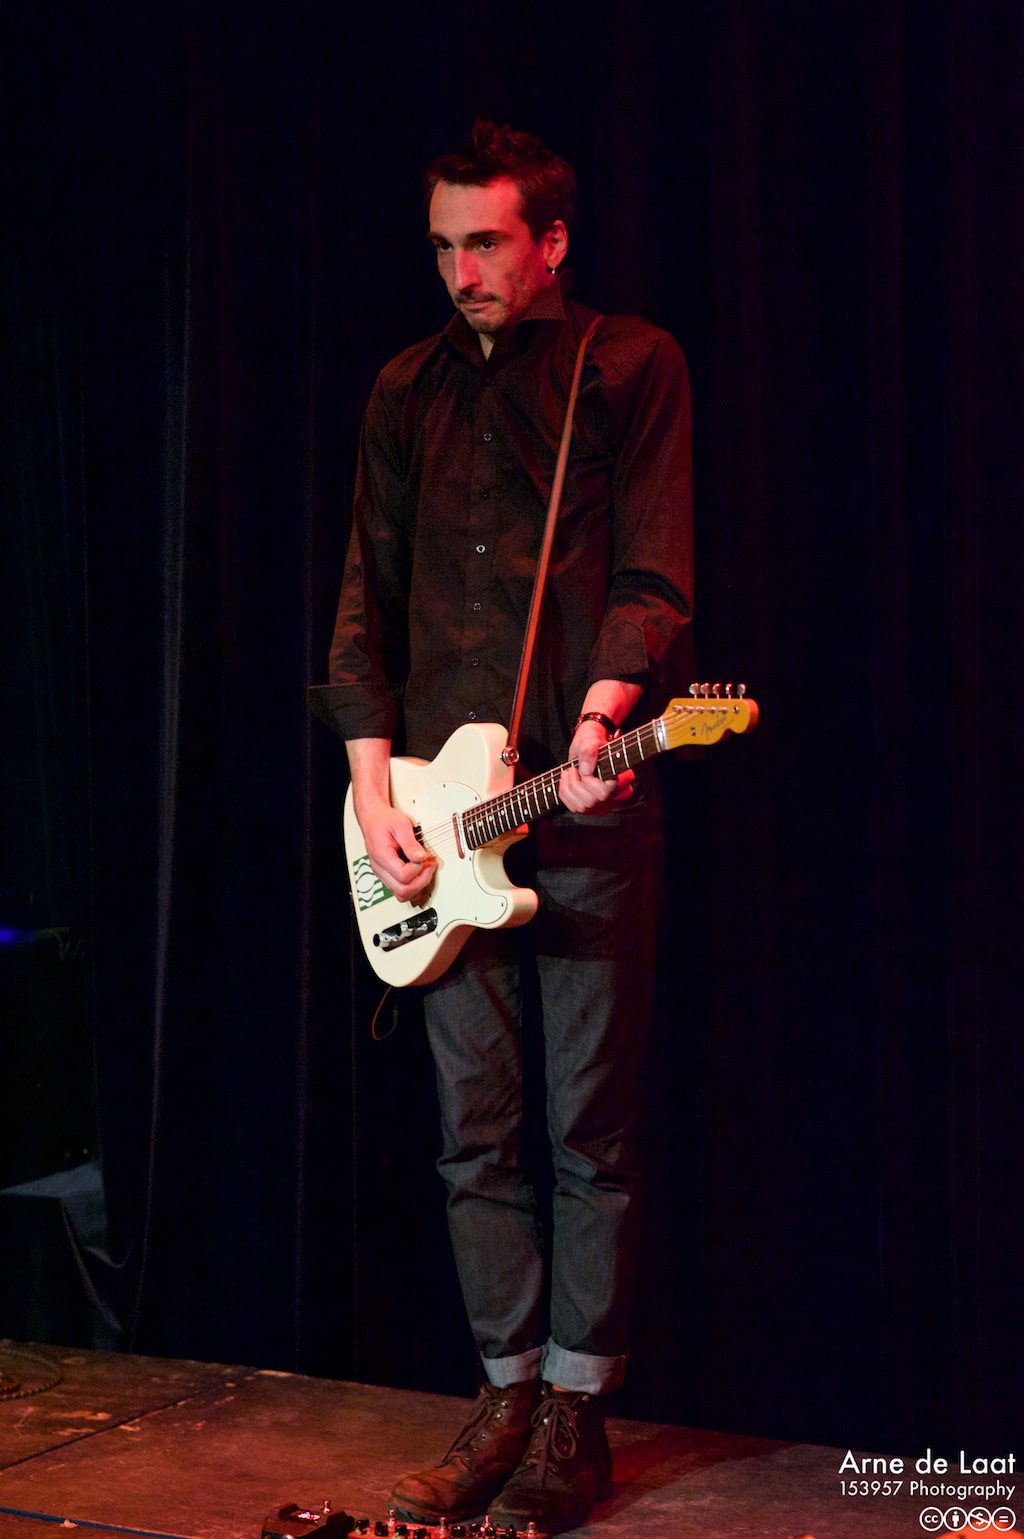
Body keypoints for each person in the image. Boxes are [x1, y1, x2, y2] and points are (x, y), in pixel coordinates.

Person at [314, 120, 693, 1534]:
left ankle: (576, 1421)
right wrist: (373, 792)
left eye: (486, 242)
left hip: (575, 805)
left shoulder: (629, 366)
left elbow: (653, 570)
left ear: (552, 242)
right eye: (443, 246)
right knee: (473, 1135)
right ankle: (503, 1401)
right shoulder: (403, 389)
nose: (461, 270)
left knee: (589, 1130)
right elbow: (365, 597)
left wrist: (601, 720)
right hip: (433, 812)